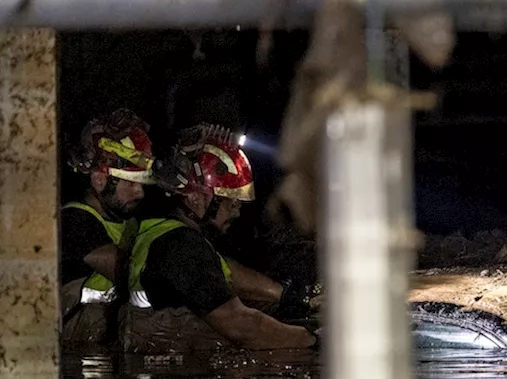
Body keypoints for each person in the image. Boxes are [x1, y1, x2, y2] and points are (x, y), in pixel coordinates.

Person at [119, 123, 318, 353]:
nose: (236, 212)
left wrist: (294, 298)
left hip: (156, 363)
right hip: (171, 376)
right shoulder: (181, 246)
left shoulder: (166, 233)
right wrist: (315, 339)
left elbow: (229, 276)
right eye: (229, 201)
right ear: (195, 198)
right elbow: (243, 328)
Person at [60, 109, 158, 347]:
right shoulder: (72, 220)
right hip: (76, 348)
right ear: (100, 180)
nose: (140, 193)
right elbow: (129, 270)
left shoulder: (130, 223)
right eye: (132, 183)